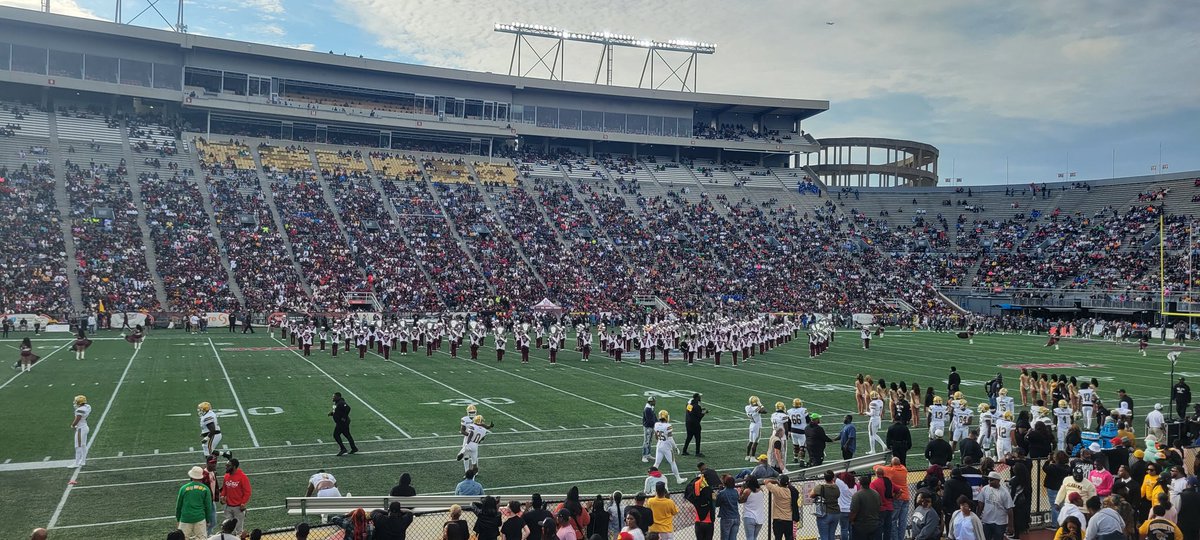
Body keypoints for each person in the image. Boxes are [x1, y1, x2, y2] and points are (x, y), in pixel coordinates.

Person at [176, 466, 215, 540]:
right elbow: (208, 506)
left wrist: (178, 519)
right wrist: (207, 519)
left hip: (185, 518)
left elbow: (179, 506)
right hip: (200, 518)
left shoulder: (183, 488)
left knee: (182, 538)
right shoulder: (205, 489)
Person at [976, 472, 1013, 540]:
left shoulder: (1004, 492)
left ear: (998, 481)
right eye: (989, 479)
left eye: (992, 480)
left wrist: (1010, 525)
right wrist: (978, 517)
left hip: (1000, 523)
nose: (989, 481)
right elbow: (981, 503)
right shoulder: (985, 489)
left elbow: (1009, 509)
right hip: (986, 521)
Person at [653, 410, 686, 483]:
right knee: (672, 462)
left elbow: (656, 436)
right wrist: (675, 447)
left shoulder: (656, 424)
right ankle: (678, 479)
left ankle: (651, 477)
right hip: (666, 447)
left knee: (657, 463)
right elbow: (670, 438)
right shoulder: (668, 426)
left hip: (659, 445)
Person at [220, 458, 251, 536]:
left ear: (234, 467)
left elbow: (247, 492)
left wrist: (243, 503)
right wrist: (222, 496)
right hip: (228, 507)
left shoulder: (242, 477)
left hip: (238, 508)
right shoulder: (226, 476)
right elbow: (224, 489)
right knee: (228, 529)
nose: (226, 467)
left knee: (239, 530)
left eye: (228, 465)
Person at [763, 475, 799, 540]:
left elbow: (766, 481)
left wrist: (775, 481)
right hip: (788, 519)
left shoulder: (777, 490)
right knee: (789, 537)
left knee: (778, 537)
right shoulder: (791, 491)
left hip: (778, 519)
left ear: (780, 482)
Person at [850, 473, 883, 540]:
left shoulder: (857, 495)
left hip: (861, 525)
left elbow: (854, 511)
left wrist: (851, 520)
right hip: (875, 524)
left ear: (860, 484)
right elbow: (879, 506)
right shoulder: (876, 493)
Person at [811, 471, 842, 540]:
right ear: (833, 478)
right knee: (832, 535)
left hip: (824, 513)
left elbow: (811, 495)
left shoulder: (820, 487)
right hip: (835, 513)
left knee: (824, 536)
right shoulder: (836, 487)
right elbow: (838, 495)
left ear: (824, 478)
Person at [329, 392, 359, 456]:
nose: (333, 397)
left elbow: (348, 408)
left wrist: (344, 417)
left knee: (336, 435)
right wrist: (332, 413)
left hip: (342, 423)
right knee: (347, 435)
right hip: (341, 422)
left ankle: (343, 449)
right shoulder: (337, 403)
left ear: (338, 397)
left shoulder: (341, 403)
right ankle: (354, 448)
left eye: (334, 396)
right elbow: (337, 411)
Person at [739, 476, 767, 540]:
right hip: (760, 517)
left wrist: (741, 490)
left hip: (749, 516)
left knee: (749, 537)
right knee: (754, 537)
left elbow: (740, 500)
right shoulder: (761, 490)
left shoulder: (747, 491)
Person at [70, 395, 91, 470]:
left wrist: (73, 425)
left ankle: (76, 463)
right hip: (84, 426)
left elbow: (77, 419)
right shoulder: (88, 407)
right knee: (83, 445)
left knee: (78, 446)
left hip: (80, 429)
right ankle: (83, 461)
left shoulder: (79, 410)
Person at [717, 475, 740, 540]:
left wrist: (719, 491)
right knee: (733, 538)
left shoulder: (722, 493)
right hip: (736, 517)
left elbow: (717, 504)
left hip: (726, 518)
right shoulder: (735, 491)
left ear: (725, 483)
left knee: (725, 538)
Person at [643, 397, 657, 463]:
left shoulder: (650, 408)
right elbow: (649, 420)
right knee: (646, 441)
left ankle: (648, 454)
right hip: (648, 427)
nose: (655, 402)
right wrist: (654, 424)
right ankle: (644, 456)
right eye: (654, 401)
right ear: (651, 402)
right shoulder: (648, 409)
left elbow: (654, 416)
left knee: (649, 441)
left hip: (650, 426)